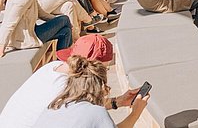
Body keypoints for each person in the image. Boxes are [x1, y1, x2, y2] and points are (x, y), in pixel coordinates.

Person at [0, 34, 143, 128]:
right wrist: (136, 113)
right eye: (104, 69)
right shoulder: (67, 89)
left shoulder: (52, 67)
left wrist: (116, 102)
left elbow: (79, 112)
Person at [33, 55, 149, 128]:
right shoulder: (95, 113)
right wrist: (136, 112)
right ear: (101, 86)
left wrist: (117, 101)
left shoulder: (56, 105)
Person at [0, 0, 73, 57]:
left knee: (66, 31)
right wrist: (2, 46)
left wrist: (57, 22)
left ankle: (62, 61)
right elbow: (10, 21)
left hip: (32, 30)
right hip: (24, 38)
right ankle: (67, 58)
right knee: (65, 19)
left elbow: (41, 13)